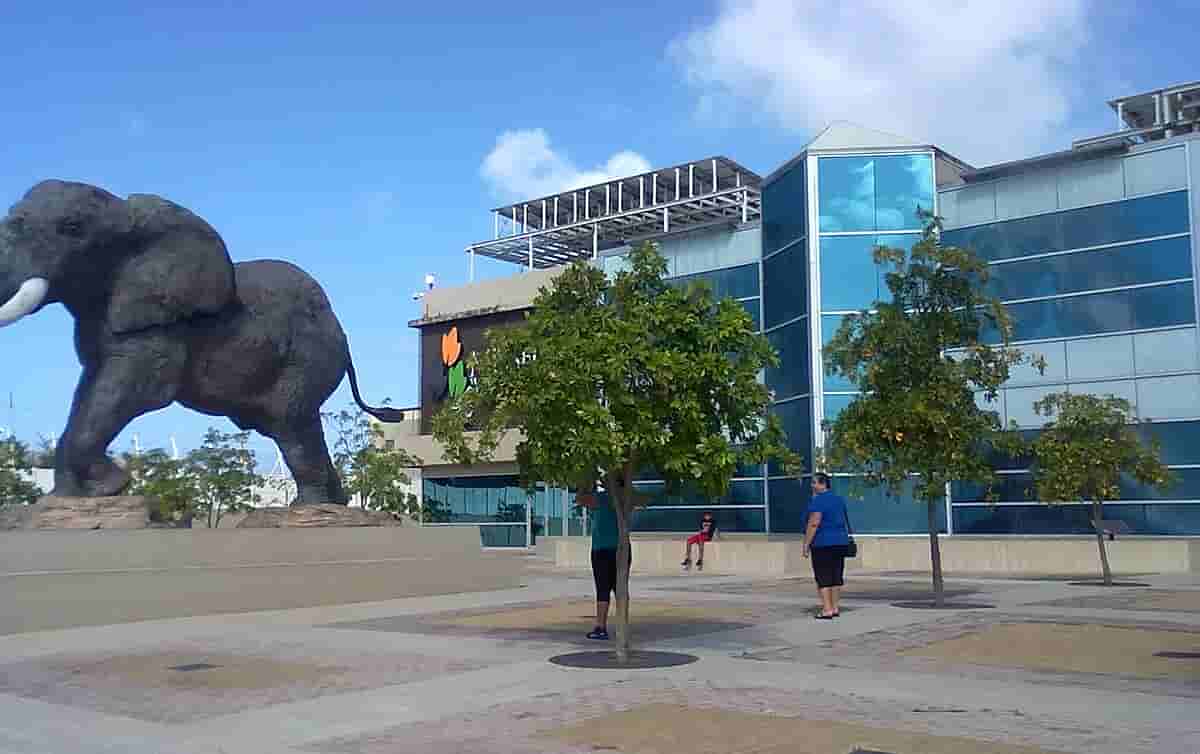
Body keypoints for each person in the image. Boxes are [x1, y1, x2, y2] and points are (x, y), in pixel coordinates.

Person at [578, 486, 625, 640]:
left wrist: (585, 481)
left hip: (602, 549)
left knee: (603, 589)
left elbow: (581, 499)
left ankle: (601, 627)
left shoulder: (602, 498)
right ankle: (621, 626)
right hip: (622, 548)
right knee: (620, 589)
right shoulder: (625, 498)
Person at [803, 472, 850, 619]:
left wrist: (806, 544)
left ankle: (827, 609)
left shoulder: (818, 501)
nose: (812, 486)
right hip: (840, 542)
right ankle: (835, 607)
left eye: (814, 483)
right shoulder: (839, 499)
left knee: (823, 577)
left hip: (823, 543)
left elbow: (814, 523)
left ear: (822, 484)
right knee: (836, 576)